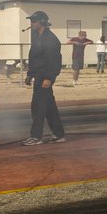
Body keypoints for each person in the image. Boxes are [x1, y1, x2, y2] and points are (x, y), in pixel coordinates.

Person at [22, 11, 65, 146]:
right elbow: (35, 59)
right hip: (39, 76)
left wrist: (49, 77)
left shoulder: (50, 39)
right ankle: (58, 134)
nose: (31, 23)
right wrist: (30, 74)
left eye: (34, 20)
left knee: (38, 107)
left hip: (44, 77)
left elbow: (54, 61)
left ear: (41, 22)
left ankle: (36, 137)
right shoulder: (38, 37)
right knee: (49, 107)